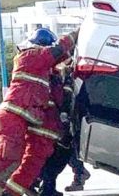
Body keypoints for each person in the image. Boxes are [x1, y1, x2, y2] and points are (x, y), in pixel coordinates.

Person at [0, 28, 78, 196]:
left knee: (14, 163)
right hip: (12, 118)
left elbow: (60, 59)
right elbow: (57, 51)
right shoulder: (32, 57)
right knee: (7, 158)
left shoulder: (43, 70)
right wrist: (75, 35)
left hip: (21, 121)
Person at [38, 62, 90, 196]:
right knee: (60, 153)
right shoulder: (60, 77)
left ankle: (77, 173)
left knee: (60, 153)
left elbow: (64, 100)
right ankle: (77, 173)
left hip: (63, 122)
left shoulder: (60, 78)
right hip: (62, 122)